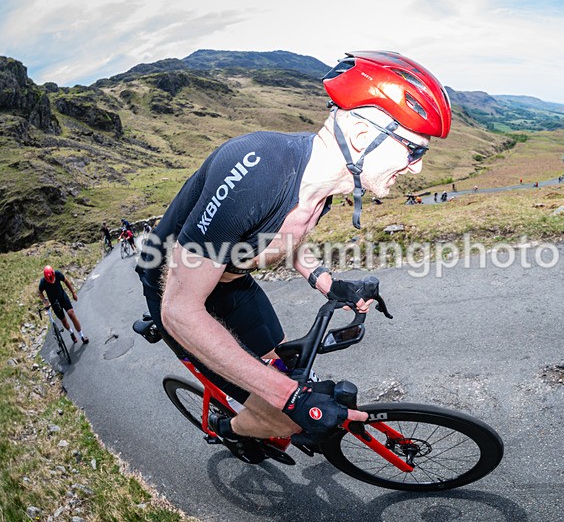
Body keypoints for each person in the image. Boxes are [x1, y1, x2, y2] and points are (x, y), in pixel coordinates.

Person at [135, 51, 451, 445]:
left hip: (232, 284)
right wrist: (287, 397)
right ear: (362, 137)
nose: (417, 167)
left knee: (284, 360)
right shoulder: (255, 172)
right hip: (175, 293)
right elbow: (179, 310)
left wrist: (324, 280)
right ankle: (227, 431)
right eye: (414, 150)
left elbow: (281, 237)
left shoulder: (325, 187)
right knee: (286, 418)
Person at [38, 266, 89, 345]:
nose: (51, 281)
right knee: (64, 322)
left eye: (52, 279)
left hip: (63, 297)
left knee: (71, 314)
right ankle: (71, 332)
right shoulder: (43, 282)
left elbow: (66, 281)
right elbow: (40, 292)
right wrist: (45, 301)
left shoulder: (57, 274)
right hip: (54, 303)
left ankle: (82, 336)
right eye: (49, 280)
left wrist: (73, 293)